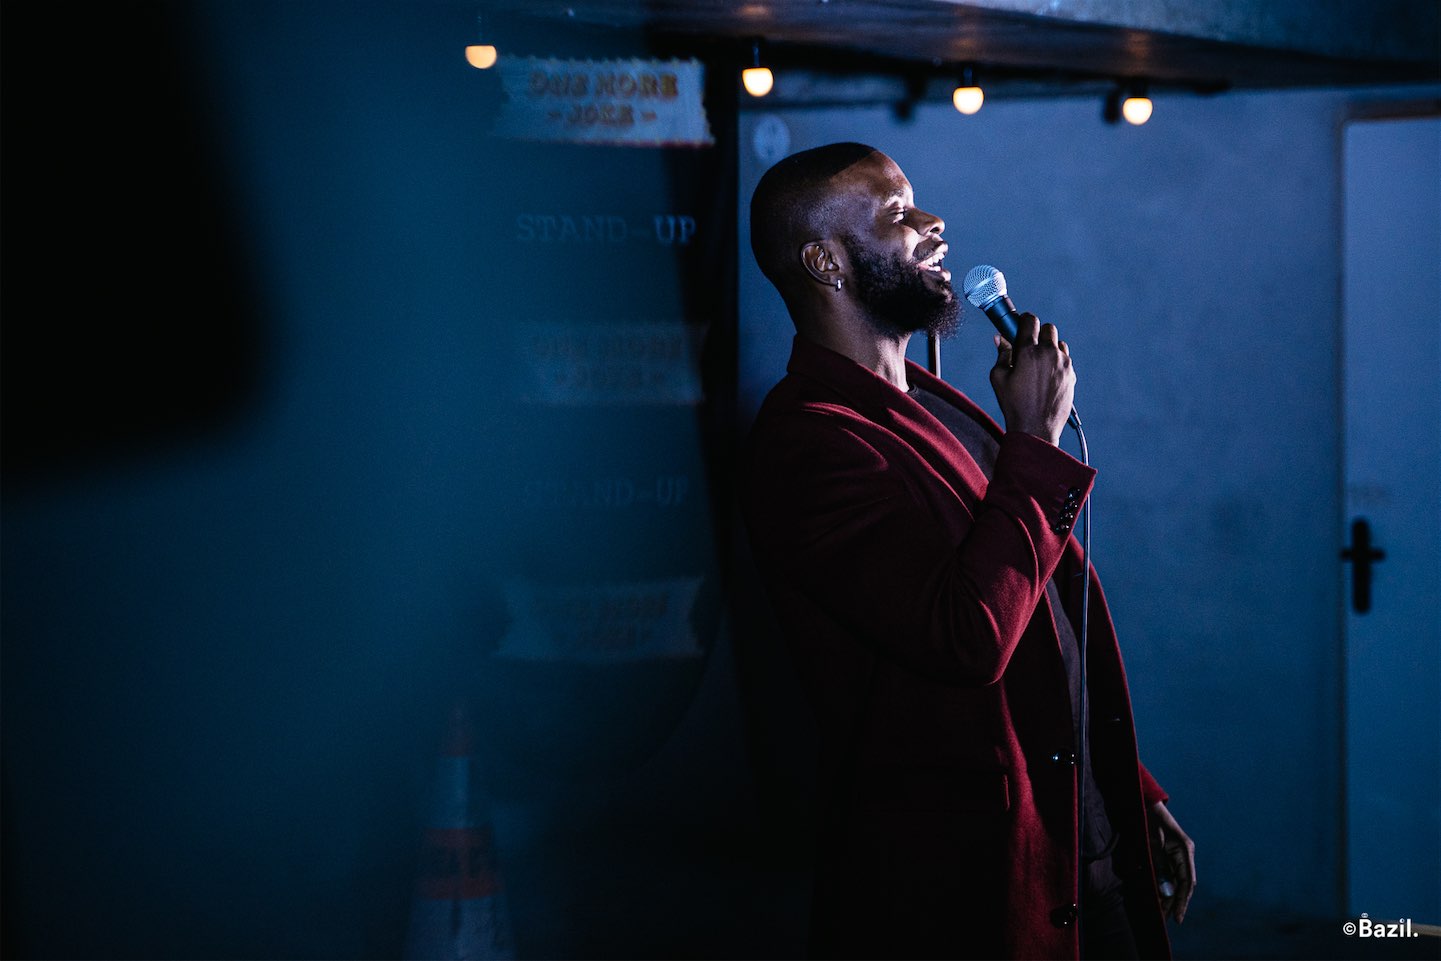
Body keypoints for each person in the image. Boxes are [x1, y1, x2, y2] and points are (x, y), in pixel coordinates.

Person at [739, 142, 1195, 960]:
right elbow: (967, 636)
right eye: (896, 213)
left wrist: (1129, 791)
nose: (932, 222)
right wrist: (1034, 442)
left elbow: (1042, 622)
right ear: (824, 261)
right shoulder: (807, 444)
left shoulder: (931, 404)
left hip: (1082, 843)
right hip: (973, 887)